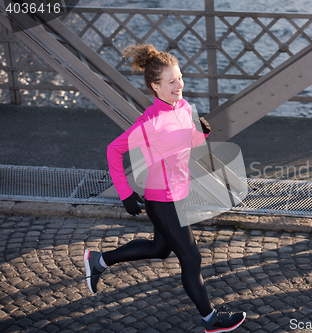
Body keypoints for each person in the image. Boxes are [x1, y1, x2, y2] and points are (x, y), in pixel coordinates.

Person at [83, 44, 246, 333]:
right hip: (162, 199)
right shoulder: (151, 122)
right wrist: (125, 193)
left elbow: (189, 144)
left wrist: (200, 133)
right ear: (155, 86)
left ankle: (99, 260)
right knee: (191, 257)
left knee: (159, 249)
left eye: (180, 77)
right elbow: (113, 150)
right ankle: (211, 319)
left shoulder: (182, 106)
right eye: (171, 81)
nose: (179, 85)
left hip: (179, 193)